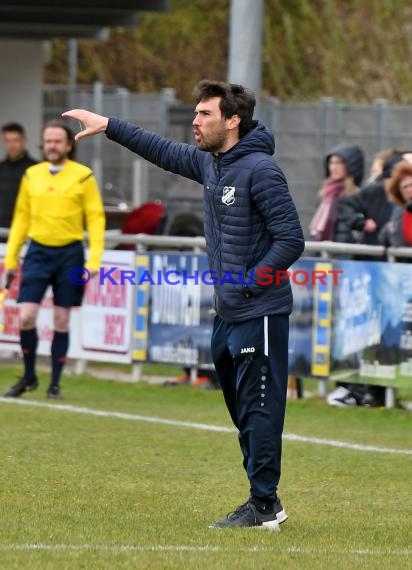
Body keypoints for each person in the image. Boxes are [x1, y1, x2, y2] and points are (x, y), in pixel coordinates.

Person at [63, 79, 305, 530]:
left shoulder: (260, 170)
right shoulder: (212, 165)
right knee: (242, 413)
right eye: (194, 114)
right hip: (228, 313)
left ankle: (264, 504)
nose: (194, 122)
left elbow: (292, 239)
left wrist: (251, 286)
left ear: (233, 121)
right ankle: (262, 500)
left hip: (260, 311)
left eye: (204, 114)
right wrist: (110, 125)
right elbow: (160, 149)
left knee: (260, 411)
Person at [3, 120, 105, 399]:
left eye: (57, 141)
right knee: (26, 316)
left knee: (61, 320)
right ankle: (28, 375)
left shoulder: (83, 176)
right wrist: (11, 257)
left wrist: (94, 259)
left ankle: (55, 384)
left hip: (69, 254)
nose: (52, 146)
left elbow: (95, 218)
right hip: (37, 252)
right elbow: (21, 218)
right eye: (48, 141)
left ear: (69, 145)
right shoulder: (31, 175)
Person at [309, 143, 364, 242]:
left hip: (345, 251)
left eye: (338, 163)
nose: (333, 167)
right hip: (322, 249)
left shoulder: (356, 196)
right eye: (331, 163)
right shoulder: (325, 194)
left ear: (349, 166)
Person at [0, 123, 37, 240]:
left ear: (23, 140)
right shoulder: (1, 168)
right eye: (7, 141)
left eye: (15, 140)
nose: (11, 145)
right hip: (1, 233)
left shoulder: (35, 169)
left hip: (27, 234)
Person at [380, 160, 412, 250]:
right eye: (405, 187)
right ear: (399, 192)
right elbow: (385, 239)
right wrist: (388, 230)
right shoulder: (399, 211)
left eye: (411, 185)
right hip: (403, 262)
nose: (409, 190)